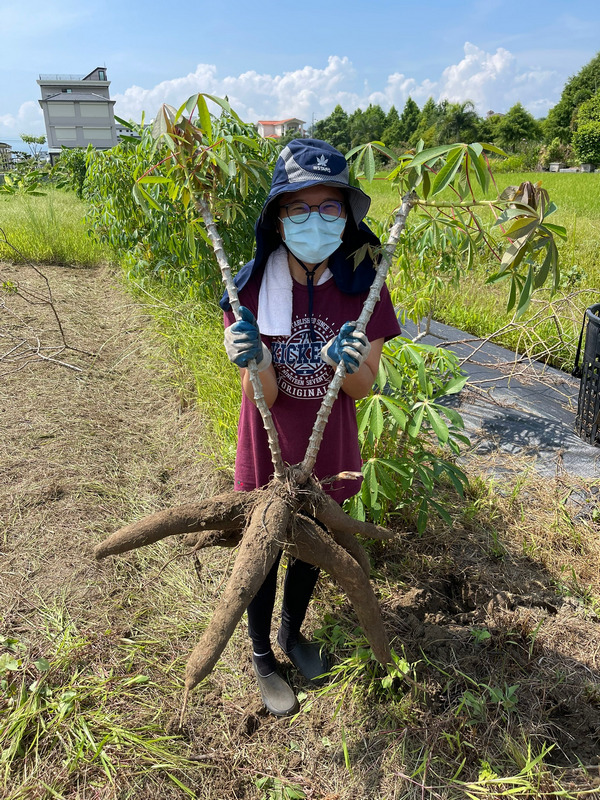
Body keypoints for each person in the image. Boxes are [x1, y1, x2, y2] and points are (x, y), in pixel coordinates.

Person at [221, 138, 401, 716]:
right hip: (272, 442)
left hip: (327, 444)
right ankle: (260, 654)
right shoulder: (249, 286)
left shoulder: (365, 284)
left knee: (312, 544)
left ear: (347, 217)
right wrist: (256, 360)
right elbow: (264, 397)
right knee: (266, 545)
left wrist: (346, 363)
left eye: (329, 208)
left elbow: (362, 387)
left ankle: (291, 633)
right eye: (299, 207)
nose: (315, 220)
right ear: (278, 217)